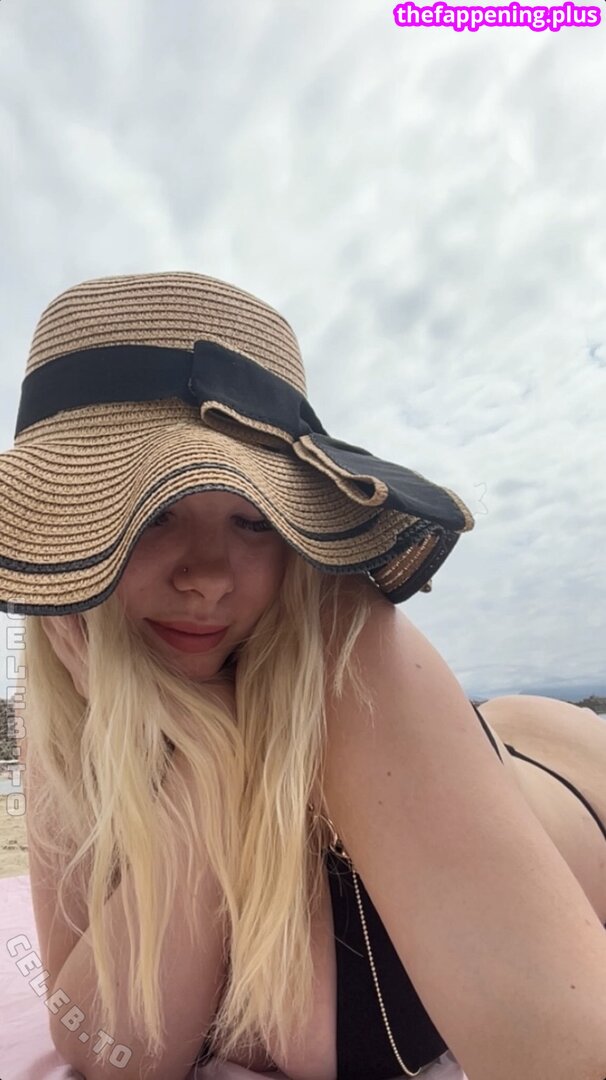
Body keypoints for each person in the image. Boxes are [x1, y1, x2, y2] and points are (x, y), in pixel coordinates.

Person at [2, 271, 606, 1080]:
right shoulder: (67, 704)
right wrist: (208, 771)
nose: (208, 577)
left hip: (569, 768)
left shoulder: (347, 654)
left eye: (253, 519)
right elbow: (103, 1045)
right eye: (155, 511)